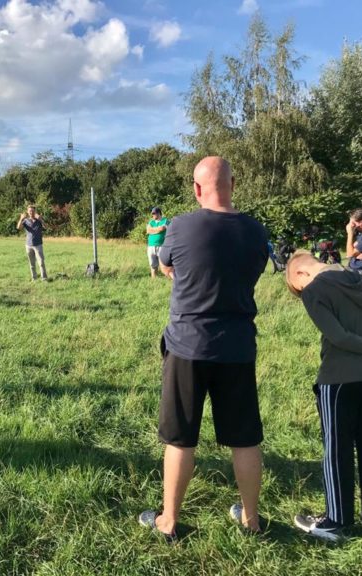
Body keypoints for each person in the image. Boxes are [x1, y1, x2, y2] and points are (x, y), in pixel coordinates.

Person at [138, 157, 269, 540]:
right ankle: (251, 520)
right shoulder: (255, 231)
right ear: (233, 183)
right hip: (238, 347)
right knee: (245, 437)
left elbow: (167, 266)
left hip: (187, 345)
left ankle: (170, 521)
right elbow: (252, 273)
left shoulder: (179, 226)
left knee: (180, 438)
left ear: (197, 189)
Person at [285, 250, 362, 540]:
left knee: (337, 450)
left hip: (339, 379)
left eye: (297, 288)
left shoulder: (314, 290)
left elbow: (338, 336)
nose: (301, 293)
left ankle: (337, 521)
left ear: (301, 274)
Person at [17, 205, 48, 281]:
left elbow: (46, 227)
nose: (31, 212)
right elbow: (18, 227)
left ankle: (44, 278)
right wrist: (21, 219)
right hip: (28, 245)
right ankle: (34, 278)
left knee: (41, 262)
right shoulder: (25, 221)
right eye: (30, 211)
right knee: (32, 264)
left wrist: (41, 219)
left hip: (38, 244)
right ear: (28, 212)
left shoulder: (38, 221)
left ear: (35, 211)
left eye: (33, 211)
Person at [146, 207, 169, 279]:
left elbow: (162, 229)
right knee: (153, 264)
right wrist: (157, 230)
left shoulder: (165, 220)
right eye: (152, 214)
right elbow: (148, 231)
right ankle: (154, 279)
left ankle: (168, 279)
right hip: (151, 246)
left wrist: (154, 230)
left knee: (164, 264)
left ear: (158, 213)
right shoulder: (151, 222)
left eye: (154, 213)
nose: (152, 215)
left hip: (162, 245)